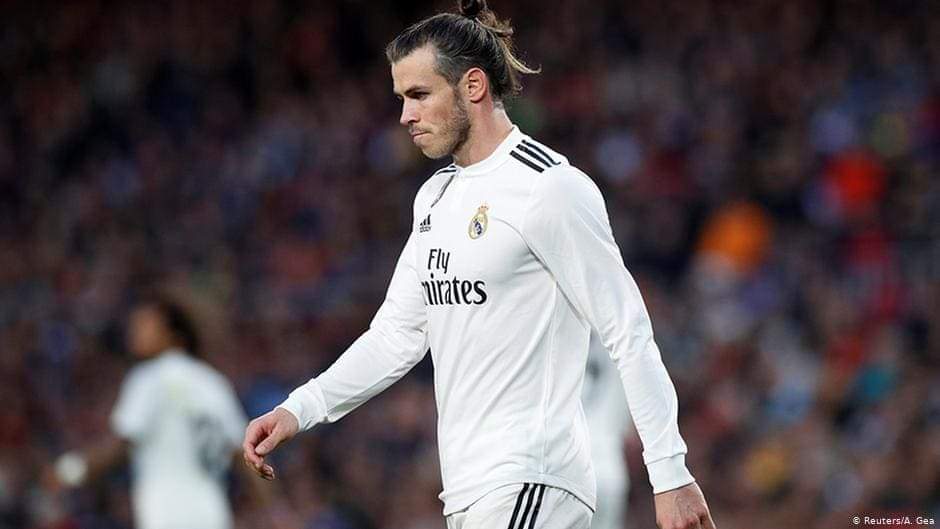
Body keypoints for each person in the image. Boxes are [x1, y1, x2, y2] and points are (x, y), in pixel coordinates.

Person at [243, 1, 716, 528]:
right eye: (401, 99)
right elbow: (397, 335)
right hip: (472, 491)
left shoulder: (548, 187)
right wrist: (299, 409)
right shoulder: (435, 199)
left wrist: (670, 473)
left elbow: (627, 329)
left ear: (473, 86)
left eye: (419, 95)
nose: (405, 116)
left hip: (535, 478)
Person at [50, 297, 281, 529]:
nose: (134, 333)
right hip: (211, 513)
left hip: (165, 512)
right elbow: (245, 454)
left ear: (173, 333)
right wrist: (274, 511)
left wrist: (69, 471)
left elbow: (121, 443)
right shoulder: (212, 382)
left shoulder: (148, 377)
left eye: (145, 325)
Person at [582, 331, 633, 529]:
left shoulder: (551, 331)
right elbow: (630, 431)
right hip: (609, 471)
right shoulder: (624, 336)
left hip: (563, 468)